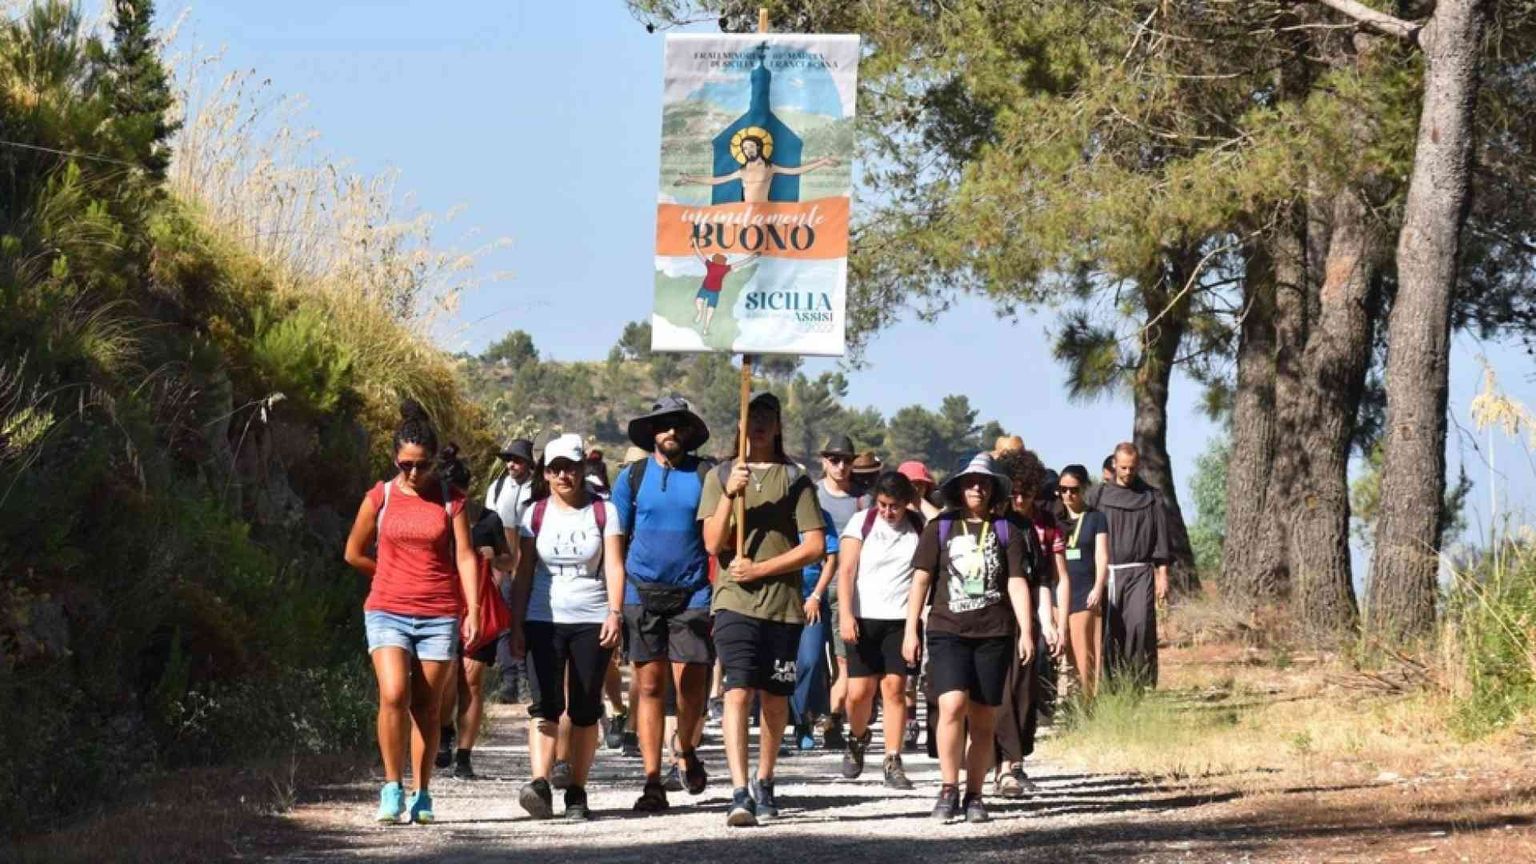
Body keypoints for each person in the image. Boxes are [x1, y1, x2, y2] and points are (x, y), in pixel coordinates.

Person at [343, 400, 481, 825]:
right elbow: (353, 553)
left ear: (435, 461)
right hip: (386, 609)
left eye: (422, 465)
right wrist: (385, 572)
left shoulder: (450, 500)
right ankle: (391, 787)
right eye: (405, 464)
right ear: (394, 459)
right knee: (393, 694)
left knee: (427, 706)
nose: (413, 474)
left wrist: (471, 609)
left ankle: (422, 793)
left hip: (439, 612)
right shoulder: (380, 496)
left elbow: (465, 557)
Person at [699, 391, 825, 827]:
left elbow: (814, 546)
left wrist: (763, 568)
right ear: (739, 424)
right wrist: (729, 496)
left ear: (778, 426)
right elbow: (712, 544)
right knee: (737, 691)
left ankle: (765, 779)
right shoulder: (720, 475)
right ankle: (738, 791)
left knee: (775, 699)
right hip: (734, 600)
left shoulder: (796, 479)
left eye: (768, 417)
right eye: (752, 416)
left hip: (783, 605)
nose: (759, 425)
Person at [904, 453, 1034, 824]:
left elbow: (1015, 581)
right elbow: (922, 579)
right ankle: (948, 788)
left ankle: (974, 794)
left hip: (994, 632)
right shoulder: (940, 527)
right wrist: (911, 627)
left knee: (982, 717)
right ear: (959, 487)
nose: (978, 487)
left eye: (985, 482)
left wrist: (1026, 629)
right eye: (971, 481)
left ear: (994, 489)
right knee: (951, 706)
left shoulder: (1007, 529)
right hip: (947, 629)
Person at [509, 433, 625, 822]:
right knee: (545, 706)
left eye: (570, 468)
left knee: (584, 709)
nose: (563, 475)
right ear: (546, 471)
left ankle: (577, 790)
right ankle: (540, 783)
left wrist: (615, 612)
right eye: (556, 468)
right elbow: (523, 572)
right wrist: (517, 622)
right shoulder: (534, 514)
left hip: (591, 618)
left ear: (581, 469)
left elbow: (613, 565)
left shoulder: (604, 512)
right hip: (543, 617)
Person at [612, 396, 717, 812]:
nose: (670, 431)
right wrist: (615, 601)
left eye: (678, 424)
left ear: (689, 432)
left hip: (692, 593)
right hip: (641, 591)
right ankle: (652, 780)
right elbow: (615, 541)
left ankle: (686, 749)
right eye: (662, 424)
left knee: (692, 683)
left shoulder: (706, 474)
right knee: (651, 686)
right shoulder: (632, 477)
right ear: (652, 432)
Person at [838, 471, 924, 789]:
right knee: (859, 693)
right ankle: (858, 737)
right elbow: (846, 572)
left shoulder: (918, 525)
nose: (888, 512)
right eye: (884, 504)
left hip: (900, 620)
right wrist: (846, 615)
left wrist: (919, 501)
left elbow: (939, 523)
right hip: (862, 617)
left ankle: (892, 759)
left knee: (894, 690)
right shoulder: (862, 522)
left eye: (895, 506)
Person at [991, 449, 1065, 798]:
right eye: (1014, 491)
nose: (1019, 499)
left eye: (1027, 493)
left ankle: (1016, 763)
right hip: (989, 619)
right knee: (999, 695)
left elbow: (1042, 580)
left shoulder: (1029, 530)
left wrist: (1048, 622)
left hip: (1025, 623)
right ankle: (1002, 768)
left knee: (1023, 694)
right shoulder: (989, 524)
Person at [435, 496, 516, 779]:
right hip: (442, 605)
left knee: (471, 682)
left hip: (481, 606)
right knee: (445, 679)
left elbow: (510, 560)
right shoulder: (434, 514)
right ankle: (444, 731)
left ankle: (464, 757)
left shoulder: (490, 520)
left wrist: (494, 557)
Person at [1096, 442, 1171, 688]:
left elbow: (1161, 538)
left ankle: (1137, 684)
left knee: (1139, 624)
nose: (1128, 473)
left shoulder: (1151, 497)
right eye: (1124, 467)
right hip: (1109, 573)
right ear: (1114, 464)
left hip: (1140, 572)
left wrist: (1163, 575)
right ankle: (1111, 685)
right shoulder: (1098, 496)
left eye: (1133, 468)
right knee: (1110, 630)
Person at [809, 434, 866, 750]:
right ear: (823, 461)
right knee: (810, 660)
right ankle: (807, 718)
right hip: (811, 588)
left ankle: (833, 718)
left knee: (844, 662)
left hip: (849, 591)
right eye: (834, 459)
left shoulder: (863, 500)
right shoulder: (812, 496)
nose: (840, 465)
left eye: (846, 459)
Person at [489, 439, 536, 704]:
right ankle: (510, 680)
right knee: (504, 623)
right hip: (503, 564)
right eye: (508, 459)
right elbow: (489, 527)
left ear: (528, 463)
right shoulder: (496, 488)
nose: (511, 464)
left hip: (530, 565)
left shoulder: (540, 490)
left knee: (527, 621)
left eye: (517, 460)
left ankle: (526, 678)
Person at [1057, 464, 1109, 700]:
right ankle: (1063, 700)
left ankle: (1086, 703)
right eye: (1063, 489)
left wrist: (1098, 586)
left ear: (1084, 488)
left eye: (1074, 490)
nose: (1068, 495)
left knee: (1083, 652)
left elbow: (1101, 555)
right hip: (1059, 594)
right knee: (1061, 650)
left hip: (1085, 592)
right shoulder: (1054, 520)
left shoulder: (1096, 518)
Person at [791, 506, 840, 751]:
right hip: (780, 599)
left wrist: (817, 595)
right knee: (782, 666)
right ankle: (787, 722)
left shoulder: (820, 515)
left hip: (812, 600)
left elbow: (831, 558)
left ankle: (803, 719)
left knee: (810, 661)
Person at [675, 135, 840, 204]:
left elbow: (795, 171)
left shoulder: (769, 167)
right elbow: (717, 180)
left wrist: (822, 162)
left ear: (758, 147)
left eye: (751, 146)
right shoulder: (742, 171)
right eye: (745, 148)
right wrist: (691, 178)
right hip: (746, 211)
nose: (748, 150)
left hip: (764, 210)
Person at [689, 236, 759, 336]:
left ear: (715, 259)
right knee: (707, 308)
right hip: (710, 290)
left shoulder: (714, 265)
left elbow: (699, 254)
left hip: (711, 290)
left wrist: (695, 242)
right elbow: (740, 263)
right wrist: (753, 257)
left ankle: (704, 323)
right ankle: (703, 321)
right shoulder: (721, 267)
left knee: (703, 305)